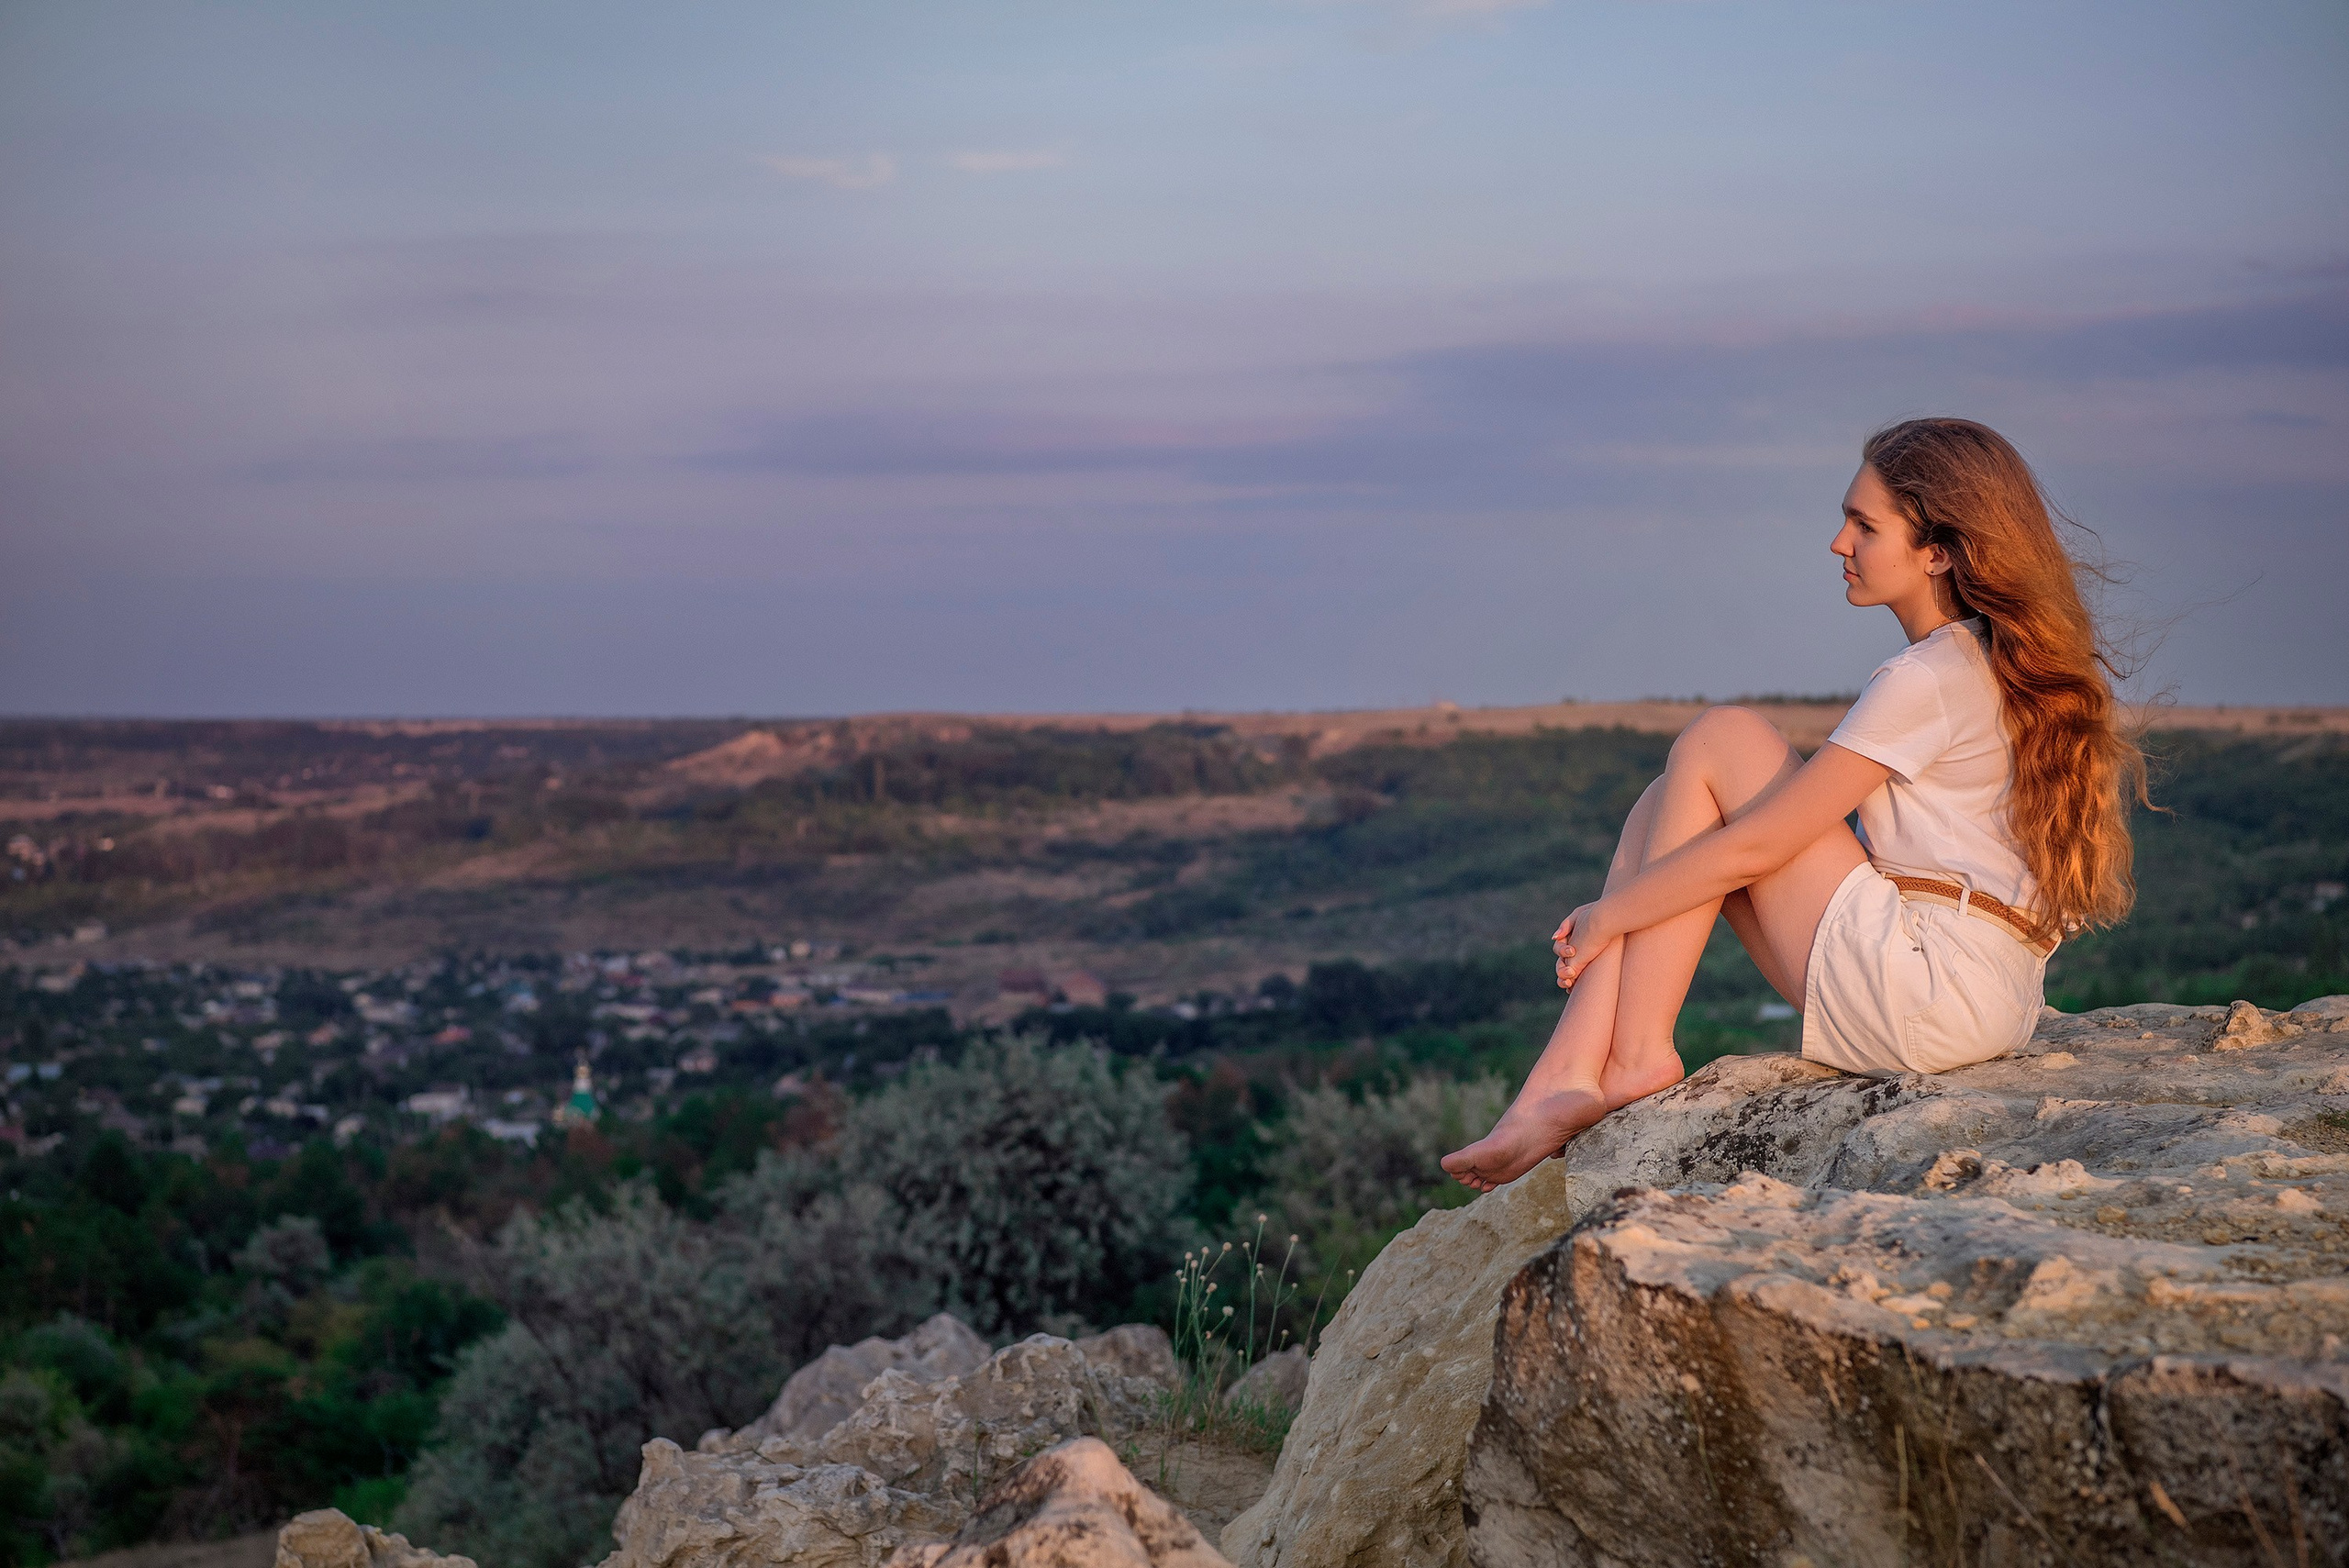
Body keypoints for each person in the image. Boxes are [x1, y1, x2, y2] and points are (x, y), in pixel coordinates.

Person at [1442, 417, 2144, 1193]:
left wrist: (1609, 914)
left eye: (1864, 525)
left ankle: (1635, 1056)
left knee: (1722, 736)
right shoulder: (1984, 659)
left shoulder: (1929, 676)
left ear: (1938, 552)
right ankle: (1570, 1074)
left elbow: (1758, 848)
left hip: (1928, 989)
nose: (1839, 543)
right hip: (1979, 998)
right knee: (1667, 799)